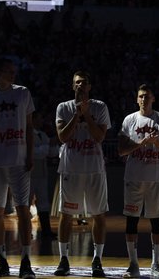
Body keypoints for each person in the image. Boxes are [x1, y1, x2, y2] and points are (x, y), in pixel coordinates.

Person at [0, 58, 36, 278]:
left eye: (14, 72)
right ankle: (1, 260)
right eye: (9, 72)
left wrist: (30, 155)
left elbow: (30, 127)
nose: (13, 75)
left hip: (19, 160)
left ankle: (25, 261)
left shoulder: (23, 93)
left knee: (22, 210)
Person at [54, 71, 111, 277]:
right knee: (66, 215)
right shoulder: (63, 107)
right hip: (71, 167)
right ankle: (63, 259)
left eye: (84, 83)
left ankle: (97, 260)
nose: (80, 85)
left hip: (94, 167)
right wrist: (77, 115)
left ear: (89, 86)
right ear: (72, 86)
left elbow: (99, 137)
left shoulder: (100, 107)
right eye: (77, 83)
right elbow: (62, 137)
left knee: (99, 215)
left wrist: (87, 114)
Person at [117, 84, 159, 278]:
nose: (143, 99)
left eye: (146, 97)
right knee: (131, 222)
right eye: (140, 96)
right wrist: (140, 143)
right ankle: (133, 264)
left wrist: (156, 142)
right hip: (134, 178)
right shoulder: (129, 120)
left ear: (153, 99)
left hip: (156, 178)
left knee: (156, 223)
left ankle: (155, 264)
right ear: (136, 99)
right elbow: (121, 150)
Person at [30, 111, 57, 239]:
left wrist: (54, 144)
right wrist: (48, 146)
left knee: (44, 203)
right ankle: (26, 231)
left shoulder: (43, 134)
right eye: (40, 118)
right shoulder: (26, 134)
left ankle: (46, 231)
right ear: (33, 119)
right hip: (28, 174)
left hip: (41, 173)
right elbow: (35, 153)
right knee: (26, 202)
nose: (42, 121)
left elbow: (52, 153)